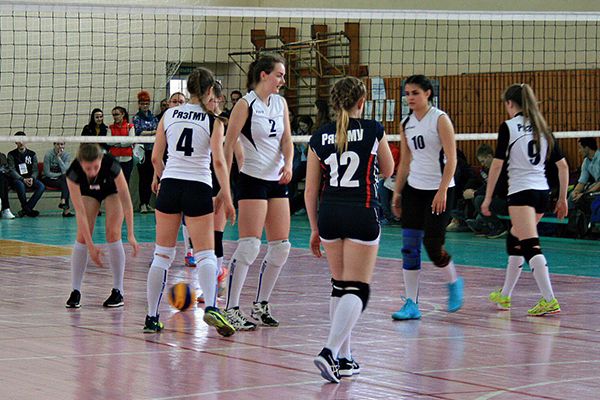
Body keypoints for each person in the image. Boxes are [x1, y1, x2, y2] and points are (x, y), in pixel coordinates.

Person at [305, 77, 394, 383]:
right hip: (361, 211)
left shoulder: (319, 136)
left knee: (340, 286)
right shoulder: (373, 130)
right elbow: (389, 169)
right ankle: (330, 351)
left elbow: (310, 190)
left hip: (329, 214)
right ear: (362, 102)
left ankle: (345, 359)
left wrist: (314, 228)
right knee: (358, 288)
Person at [144, 67, 236, 337]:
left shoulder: (169, 114)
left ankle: (151, 317)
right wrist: (227, 195)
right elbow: (218, 161)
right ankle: (212, 307)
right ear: (210, 91)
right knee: (206, 253)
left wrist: (161, 176)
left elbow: (155, 157)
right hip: (198, 186)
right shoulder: (213, 120)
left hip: (170, 184)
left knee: (162, 255)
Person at [222, 54, 294, 331]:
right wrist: (225, 187)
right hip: (252, 179)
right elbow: (229, 144)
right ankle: (231, 309)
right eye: (279, 75)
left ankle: (261, 304)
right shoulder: (245, 104)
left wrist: (289, 163)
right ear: (264, 75)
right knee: (249, 245)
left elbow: (286, 139)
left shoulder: (280, 103)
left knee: (281, 247)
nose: (282, 80)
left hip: (278, 179)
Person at [484, 83, 569, 316]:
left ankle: (549, 299)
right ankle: (505, 295)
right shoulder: (542, 127)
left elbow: (497, 164)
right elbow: (562, 166)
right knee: (515, 239)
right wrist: (562, 198)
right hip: (542, 193)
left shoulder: (509, 126)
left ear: (509, 103)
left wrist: (488, 197)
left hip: (521, 192)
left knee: (530, 245)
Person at [390, 75, 464, 321]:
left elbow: (452, 159)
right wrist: (397, 192)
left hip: (439, 189)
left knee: (432, 246)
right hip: (414, 189)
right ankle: (411, 303)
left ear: (428, 93)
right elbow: (405, 161)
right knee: (409, 247)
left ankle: (454, 282)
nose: (410, 98)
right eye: (407, 93)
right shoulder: (406, 123)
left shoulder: (440, 119)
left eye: (415, 93)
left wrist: (442, 190)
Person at [65, 143, 139, 309]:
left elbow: (127, 201)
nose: (92, 172)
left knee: (113, 233)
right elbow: (80, 213)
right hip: (89, 193)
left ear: (101, 159)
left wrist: (131, 234)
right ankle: (75, 291)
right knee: (82, 237)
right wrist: (91, 246)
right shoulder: (73, 172)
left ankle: (118, 290)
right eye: (88, 168)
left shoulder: (111, 165)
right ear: (81, 163)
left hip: (112, 191)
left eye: (95, 167)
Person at [7, 131, 46, 217]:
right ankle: (28, 210)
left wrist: (32, 178)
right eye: (19, 140)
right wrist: (22, 179)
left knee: (41, 186)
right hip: (18, 180)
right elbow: (12, 170)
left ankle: (26, 209)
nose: (21, 142)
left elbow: (35, 170)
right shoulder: (11, 154)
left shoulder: (32, 154)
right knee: (20, 185)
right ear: (16, 142)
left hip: (30, 179)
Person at [132, 90, 159, 214]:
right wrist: (153, 132)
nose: (145, 106)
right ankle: (142, 204)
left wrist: (152, 132)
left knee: (150, 177)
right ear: (139, 104)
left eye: (147, 103)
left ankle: (148, 203)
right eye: (143, 103)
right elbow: (139, 132)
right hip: (141, 151)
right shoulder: (137, 118)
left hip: (152, 150)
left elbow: (159, 130)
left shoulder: (153, 117)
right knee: (142, 178)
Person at [42, 141, 73, 217]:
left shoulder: (67, 155)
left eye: (62, 144)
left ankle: (63, 202)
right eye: (58, 144)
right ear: (54, 145)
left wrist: (59, 158)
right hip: (48, 179)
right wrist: (61, 174)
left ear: (64, 145)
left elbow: (65, 170)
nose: (60, 146)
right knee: (66, 182)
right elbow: (47, 173)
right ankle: (65, 209)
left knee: (65, 181)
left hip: (61, 179)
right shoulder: (48, 155)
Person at [569, 137, 600, 210]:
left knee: (585, 198)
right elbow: (582, 182)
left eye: (580, 148)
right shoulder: (586, 162)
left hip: (597, 188)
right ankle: (568, 215)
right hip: (596, 186)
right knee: (571, 196)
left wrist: (584, 194)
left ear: (587, 148)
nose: (579, 151)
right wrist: (575, 192)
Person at [107, 107, 135, 183]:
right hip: (114, 159)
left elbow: (131, 141)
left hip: (127, 159)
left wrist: (118, 143)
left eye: (117, 114)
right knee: (113, 183)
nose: (115, 117)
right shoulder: (110, 127)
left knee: (125, 182)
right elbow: (108, 141)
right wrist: (124, 141)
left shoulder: (130, 126)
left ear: (123, 114)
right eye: (113, 115)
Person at [0, 151, 16, 219]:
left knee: (3, 178)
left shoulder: (2, 156)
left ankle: (5, 209)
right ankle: (5, 208)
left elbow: (6, 168)